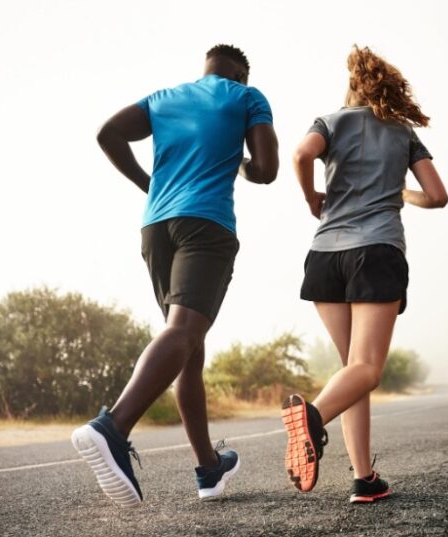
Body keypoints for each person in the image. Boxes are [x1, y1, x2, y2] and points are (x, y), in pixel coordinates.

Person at [71, 44, 279, 507]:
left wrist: (151, 185)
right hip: (206, 224)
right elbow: (267, 170)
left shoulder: (163, 98)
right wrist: (241, 163)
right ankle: (113, 426)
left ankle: (209, 467)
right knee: (184, 332)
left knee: (188, 345)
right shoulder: (247, 97)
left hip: (156, 227)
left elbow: (107, 133)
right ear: (240, 74)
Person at [282, 45, 448, 503]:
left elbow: (300, 154)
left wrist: (314, 198)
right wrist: (401, 194)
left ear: (351, 86)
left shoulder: (330, 122)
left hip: (325, 254)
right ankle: (311, 418)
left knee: (352, 369)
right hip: (375, 251)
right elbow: (437, 195)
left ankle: (363, 478)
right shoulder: (403, 132)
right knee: (367, 370)